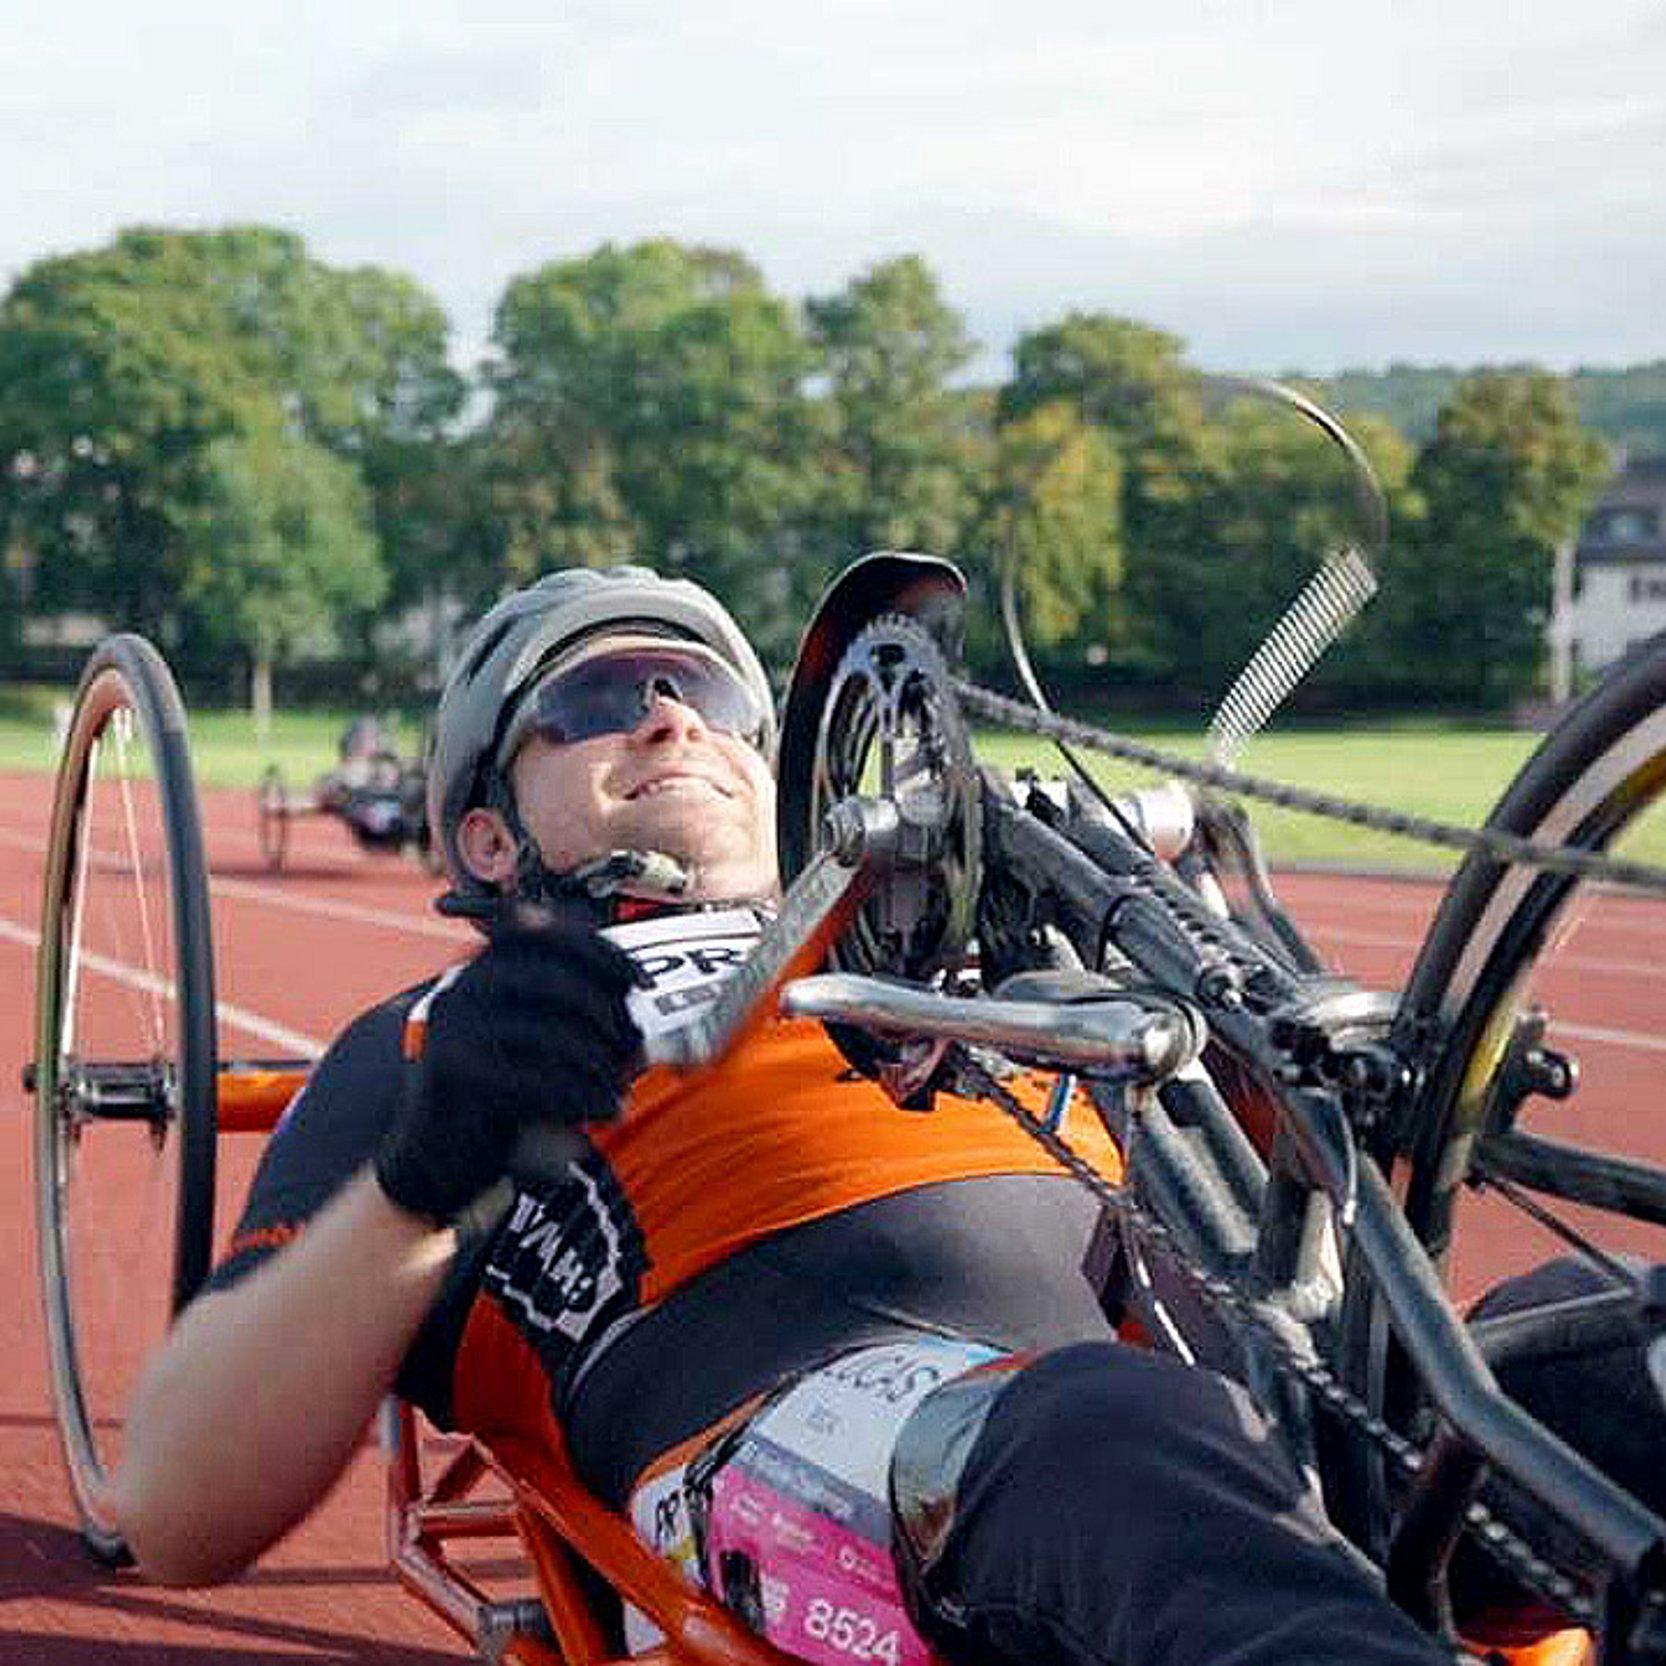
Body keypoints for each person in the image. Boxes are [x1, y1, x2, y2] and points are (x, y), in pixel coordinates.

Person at [112, 565, 1662, 1666]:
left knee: (1600, 1341)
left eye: (707, 693)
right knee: (1103, 1429)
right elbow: (177, 1504)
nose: (670, 716)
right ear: (486, 835)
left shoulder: (964, 949)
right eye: (595, 699)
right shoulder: (434, 1041)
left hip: (1232, 1410)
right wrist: (425, 1177)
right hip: (861, 1457)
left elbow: (1321, 1197)